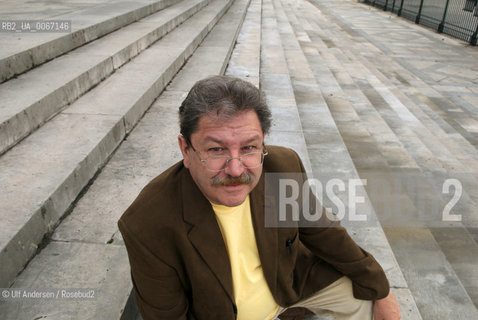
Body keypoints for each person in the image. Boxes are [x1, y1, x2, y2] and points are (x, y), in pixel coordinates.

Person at [118, 75, 401, 320]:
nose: (236, 168)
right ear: (186, 149)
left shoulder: (282, 166)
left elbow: (326, 234)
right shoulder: (147, 223)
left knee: (368, 301)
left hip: (288, 287)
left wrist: (382, 290)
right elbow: (167, 315)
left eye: (249, 148)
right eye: (216, 150)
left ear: (263, 141)